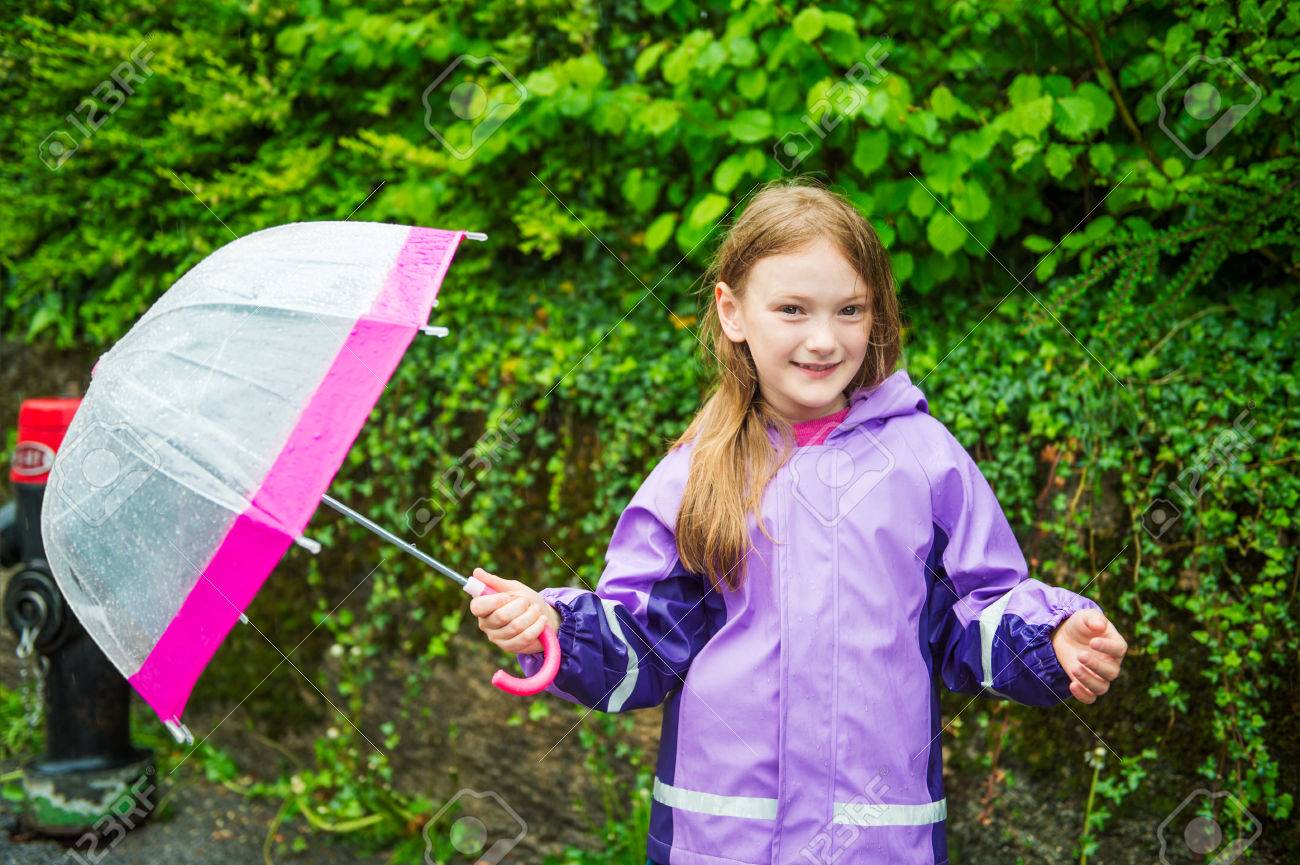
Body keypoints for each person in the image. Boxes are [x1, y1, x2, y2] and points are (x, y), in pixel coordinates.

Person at [469, 179, 1128, 865]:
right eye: (791, 309)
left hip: (879, 843)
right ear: (732, 311)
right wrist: (556, 628)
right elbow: (641, 645)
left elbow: (975, 615)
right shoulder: (694, 473)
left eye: (849, 309)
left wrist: (1049, 640)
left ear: (877, 315)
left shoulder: (925, 462)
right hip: (720, 843)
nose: (823, 338)